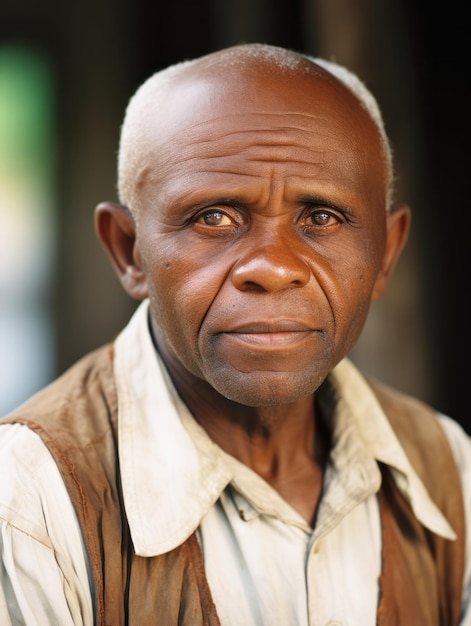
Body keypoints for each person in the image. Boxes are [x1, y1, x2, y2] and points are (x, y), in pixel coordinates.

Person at [0, 42, 469, 626]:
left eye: (321, 217)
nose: (272, 266)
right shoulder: (27, 501)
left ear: (386, 255)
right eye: (214, 217)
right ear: (129, 251)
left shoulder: (449, 468)